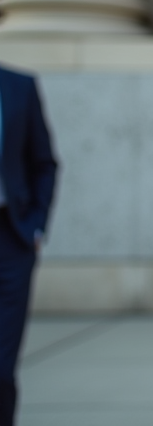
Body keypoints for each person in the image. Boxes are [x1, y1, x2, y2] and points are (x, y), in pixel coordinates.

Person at [0, 65, 58, 426]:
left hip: (11, 237)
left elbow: (44, 162)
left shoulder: (20, 86)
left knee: (2, 368)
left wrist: (36, 225)